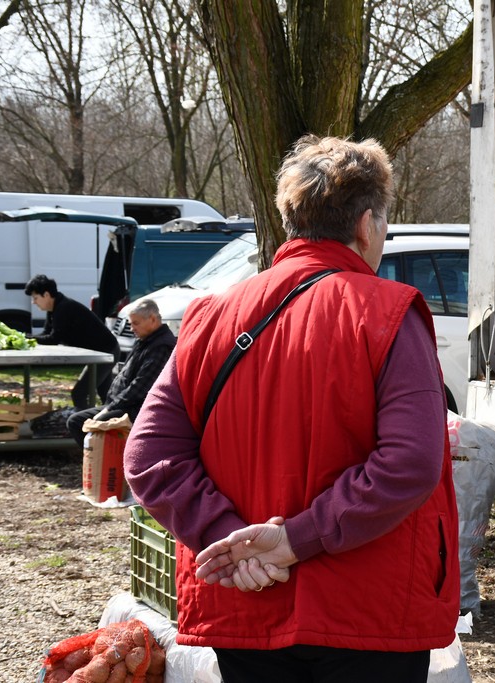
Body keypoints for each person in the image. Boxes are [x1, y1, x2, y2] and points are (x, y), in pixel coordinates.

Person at [123, 135, 459, 683]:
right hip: (370, 610)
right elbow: (411, 462)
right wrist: (293, 540)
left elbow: (149, 456)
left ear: (291, 221)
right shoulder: (387, 313)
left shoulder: (210, 316)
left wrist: (232, 540)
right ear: (367, 224)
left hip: (245, 604)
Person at [65, 299, 175, 446]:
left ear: (153, 319)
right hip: (123, 405)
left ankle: (104, 464)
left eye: (136, 323)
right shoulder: (146, 339)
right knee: (76, 421)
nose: (132, 328)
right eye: (131, 323)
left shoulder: (161, 347)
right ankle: (96, 463)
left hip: (138, 409)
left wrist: (109, 408)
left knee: (89, 423)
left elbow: (139, 388)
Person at [24, 274, 120, 408]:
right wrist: (29, 339)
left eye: (35, 298)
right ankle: (109, 425)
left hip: (107, 352)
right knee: (106, 396)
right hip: (101, 352)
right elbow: (46, 334)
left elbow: (53, 339)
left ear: (46, 295)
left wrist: (26, 338)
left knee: (79, 393)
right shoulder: (54, 308)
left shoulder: (64, 308)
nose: (33, 302)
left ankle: (84, 426)